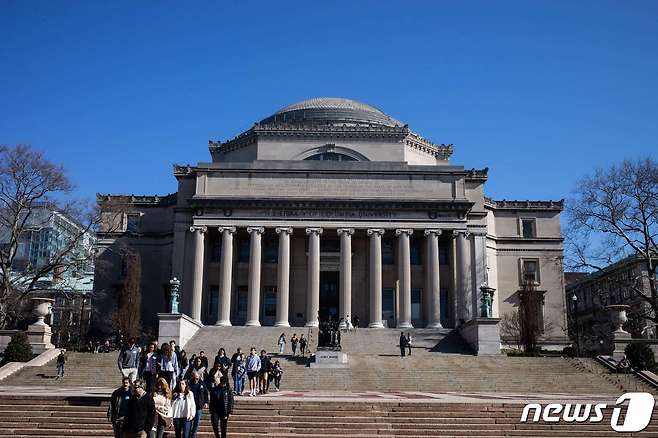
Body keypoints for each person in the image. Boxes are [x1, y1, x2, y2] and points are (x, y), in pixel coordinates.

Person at [189, 371, 209, 438]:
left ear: (199, 377)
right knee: (189, 421)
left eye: (197, 378)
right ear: (192, 377)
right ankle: (188, 433)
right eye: (194, 378)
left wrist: (206, 402)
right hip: (190, 406)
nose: (196, 380)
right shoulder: (189, 384)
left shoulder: (202, 384)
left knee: (196, 422)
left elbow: (206, 394)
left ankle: (193, 435)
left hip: (199, 406)